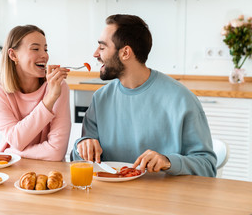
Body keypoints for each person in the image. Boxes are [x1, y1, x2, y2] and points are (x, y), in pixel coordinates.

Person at [71, 14, 217, 177]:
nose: (95, 54)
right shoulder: (100, 99)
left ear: (125, 52)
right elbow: (79, 160)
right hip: (109, 197)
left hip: (163, 198)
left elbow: (207, 167)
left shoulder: (182, 99)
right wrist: (81, 145)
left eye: (102, 47)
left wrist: (168, 161)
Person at [0, 25, 71, 161]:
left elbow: (56, 153)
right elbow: (16, 139)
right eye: (35, 49)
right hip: (11, 168)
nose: (44, 55)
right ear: (13, 55)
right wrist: (49, 100)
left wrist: (11, 152)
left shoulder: (58, 87)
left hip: (48, 171)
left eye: (45, 49)